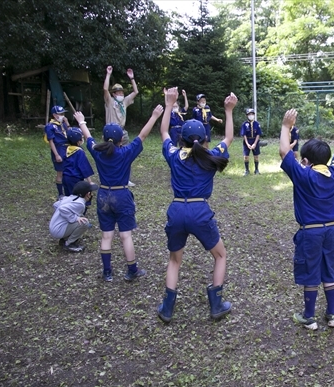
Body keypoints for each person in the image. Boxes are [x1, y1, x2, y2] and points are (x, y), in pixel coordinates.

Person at [157, 88, 238, 323]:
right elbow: (229, 138)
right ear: (204, 139)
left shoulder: (173, 154)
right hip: (200, 211)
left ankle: (168, 309)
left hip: (177, 209)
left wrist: (169, 104)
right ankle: (216, 304)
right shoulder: (210, 155)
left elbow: (163, 131)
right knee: (220, 256)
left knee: (174, 260)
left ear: (180, 138)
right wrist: (228, 111)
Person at [73, 105, 163, 283]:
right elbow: (142, 136)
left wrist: (81, 121)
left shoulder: (97, 151)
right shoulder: (126, 152)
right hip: (121, 196)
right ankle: (132, 270)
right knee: (125, 235)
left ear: (104, 138)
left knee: (107, 236)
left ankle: (107, 272)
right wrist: (154, 116)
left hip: (104, 195)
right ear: (122, 138)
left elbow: (88, 137)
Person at [279, 109, 334, 331]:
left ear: (306, 161)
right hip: (331, 231)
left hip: (311, 232)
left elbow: (283, 152)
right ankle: (332, 314)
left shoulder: (303, 174)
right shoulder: (333, 173)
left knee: (310, 271)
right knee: (329, 270)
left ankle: (309, 317)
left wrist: (285, 126)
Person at [103, 65, 139, 186]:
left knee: (126, 156)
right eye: (117, 92)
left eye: (121, 92)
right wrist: (108, 74)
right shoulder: (110, 101)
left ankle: (125, 178)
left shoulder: (125, 101)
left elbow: (136, 92)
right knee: (108, 156)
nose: (120, 94)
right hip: (110, 132)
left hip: (122, 132)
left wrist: (132, 78)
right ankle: (109, 177)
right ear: (113, 94)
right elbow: (105, 89)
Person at [49, 181, 98, 252]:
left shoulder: (69, 198)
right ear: (88, 194)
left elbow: (56, 204)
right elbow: (62, 208)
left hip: (54, 227)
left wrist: (62, 218)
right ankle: (69, 244)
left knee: (80, 218)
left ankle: (65, 238)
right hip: (58, 230)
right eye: (91, 192)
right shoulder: (80, 203)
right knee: (84, 223)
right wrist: (75, 218)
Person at [44, 105, 70, 199]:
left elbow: (70, 134)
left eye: (63, 114)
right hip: (58, 149)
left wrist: (67, 122)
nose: (62, 115)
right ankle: (60, 193)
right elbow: (51, 141)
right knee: (60, 172)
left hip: (67, 148)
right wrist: (56, 155)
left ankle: (68, 191)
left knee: (68, 170)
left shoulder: (63, 124)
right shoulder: (50, 126)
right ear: (54, 115)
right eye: (60, 114)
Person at [62, 128, 95, 199]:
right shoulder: (79, 152)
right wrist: (90, 182)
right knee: (76, 198)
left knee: (68, 198)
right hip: (75, 179)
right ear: (78, 141)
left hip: (65, 177)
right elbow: (84, 167)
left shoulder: (66, 149)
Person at [240, 108, 263, 175]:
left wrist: (255, 143)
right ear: (247, 115)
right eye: (249, 114)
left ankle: (256, 170)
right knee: (246, 156)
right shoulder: (244, 124)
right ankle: (247, 170)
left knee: (256, 156)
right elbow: (244, 135)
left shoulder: (257, 124)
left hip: (255, 140)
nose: (251, 115)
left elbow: (258, 134)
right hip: (247, 140)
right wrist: (247, 144)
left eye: (252, 114)